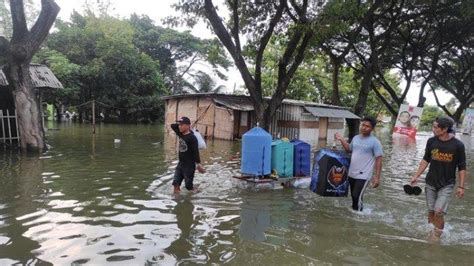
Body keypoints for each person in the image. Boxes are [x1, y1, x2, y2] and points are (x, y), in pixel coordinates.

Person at [410, 117, 466, 240]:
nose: (433, 129)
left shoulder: (458, 145)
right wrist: (416, 175)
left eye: (436, 127)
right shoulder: (431, 141)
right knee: (431, 211)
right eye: (433, 126)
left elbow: (462, 167)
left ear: (445, 129)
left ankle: (436, 238)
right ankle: (431, 232)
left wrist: (461, 186)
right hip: (430, 182)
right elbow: (426, 159)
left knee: (438, 211)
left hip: (447, 184)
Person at [335, 117, 383, 211]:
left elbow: (379, 159)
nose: (364, 128)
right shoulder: (356, 138)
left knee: (356, 195)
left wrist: (377, 177)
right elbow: (349, 149)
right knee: (354, 196)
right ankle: (355, 213)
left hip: (364, 175)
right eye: (363, 125)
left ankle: (359, 216)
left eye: (367, 126)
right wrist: (341, 139)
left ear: (372, 129)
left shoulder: (375, 142)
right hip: (352, 173)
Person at [171, 116, 205, 193]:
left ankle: (198, 191)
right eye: (179, 124)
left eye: (182, 125)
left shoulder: (192, 138)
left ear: (188, 125)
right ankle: (176, 200)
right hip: (180, 164)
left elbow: (195, 151)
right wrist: (181, 125)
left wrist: (198, 164)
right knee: (175, 183)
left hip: (189, 166)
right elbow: (172, 125)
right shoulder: (180, 134)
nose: (179, 126)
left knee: (188, 187)